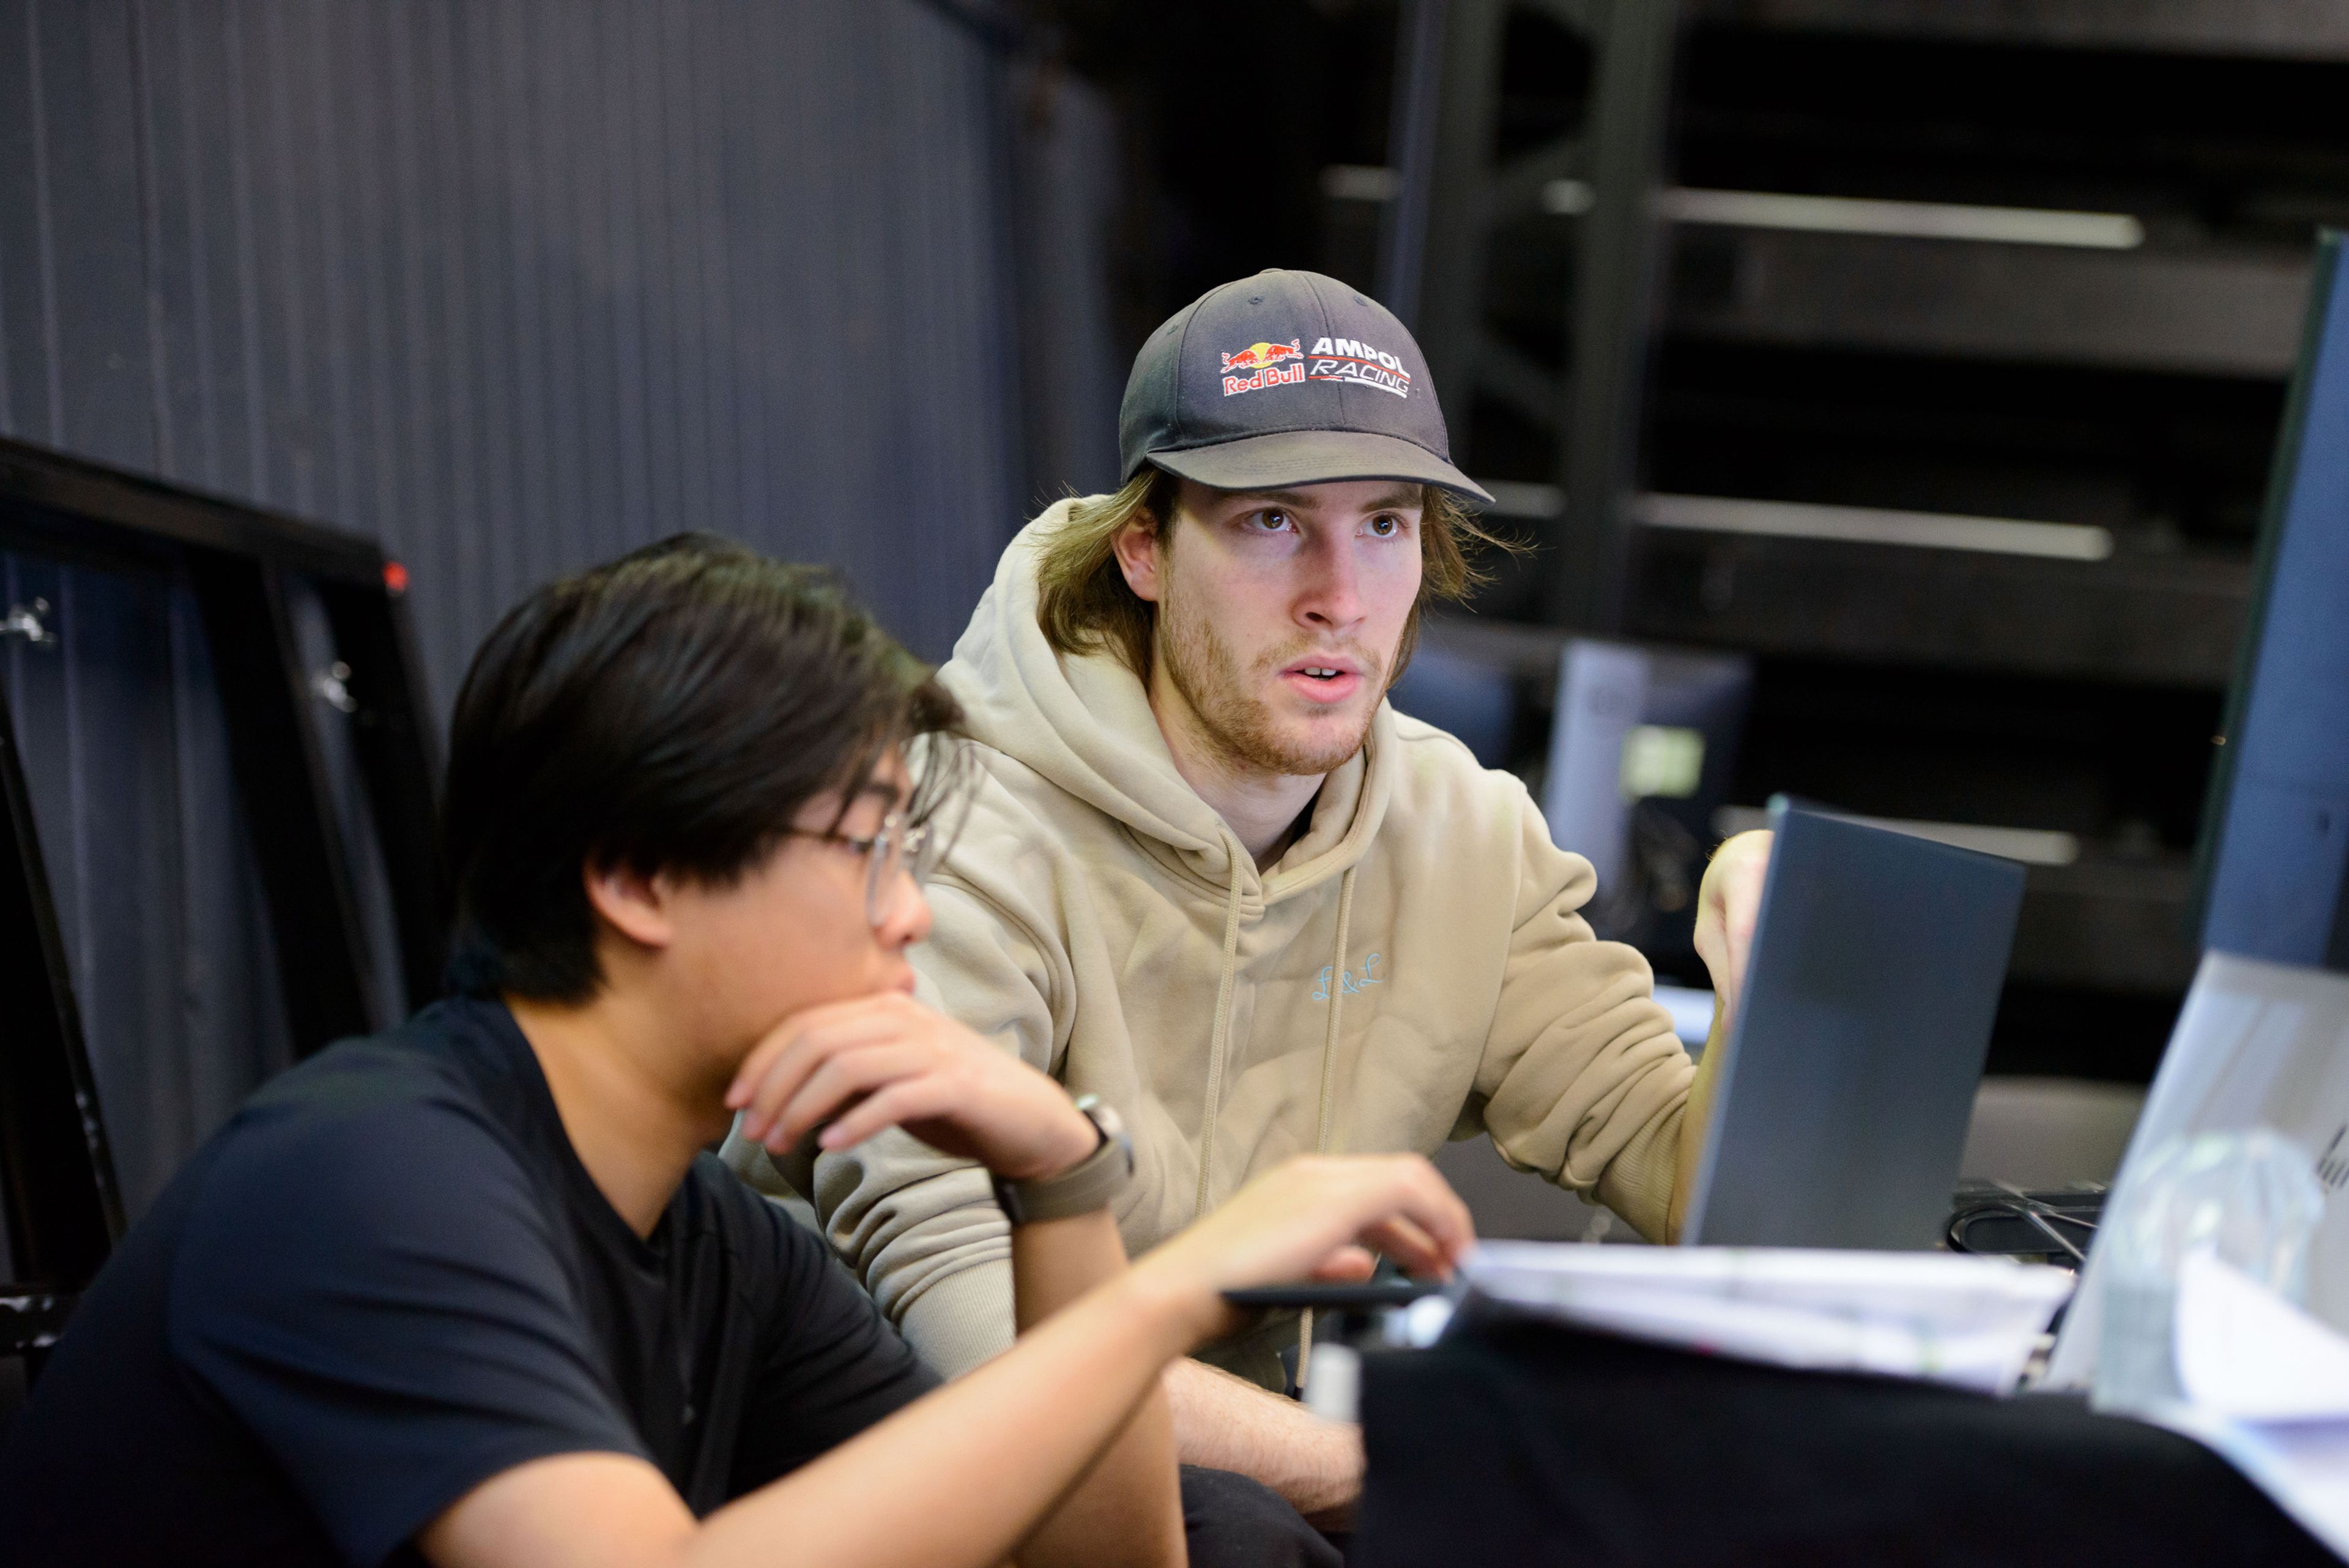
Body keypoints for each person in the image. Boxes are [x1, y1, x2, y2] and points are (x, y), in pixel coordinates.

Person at [0, 535, 1473, 1568]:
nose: (908, 913)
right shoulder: (372, 1178)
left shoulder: (713, 1242)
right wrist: (1169, 1300)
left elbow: (1103, 1563)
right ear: (637, 876)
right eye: (860, 850)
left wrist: (1066, 1180)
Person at [726, 270, 1773, 1523]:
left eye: (1385, 523)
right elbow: (990, 1355)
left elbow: (1684, 1180)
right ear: (1143, 550)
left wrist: (1767, 986)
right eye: (1273, 520)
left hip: (1212, 1513)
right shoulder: (957, 834)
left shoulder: (1464, 833)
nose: (1341, 592)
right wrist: (1401, 1466)